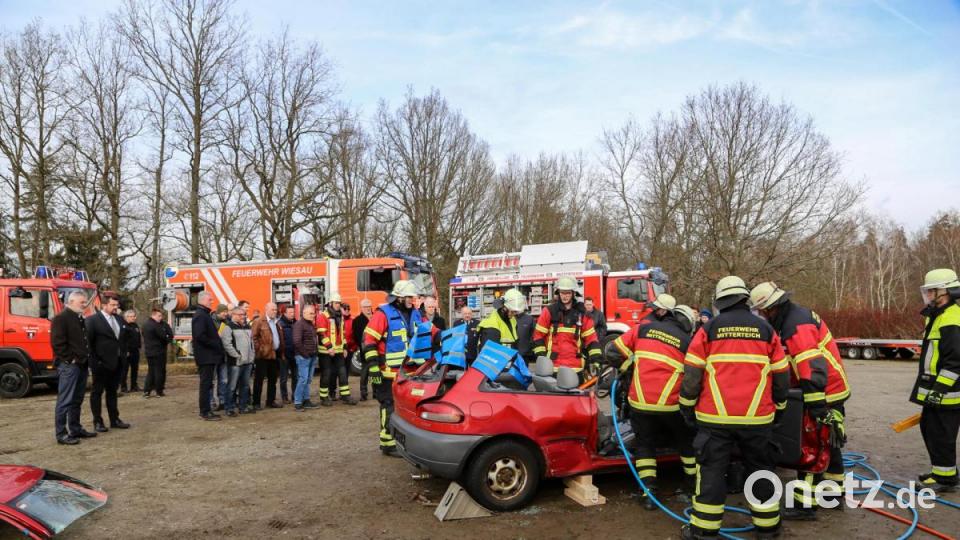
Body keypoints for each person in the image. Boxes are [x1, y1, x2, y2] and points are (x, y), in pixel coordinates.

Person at [678, 276, 789, 540]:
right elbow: (781, 376)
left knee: (712, 472)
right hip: (758, 419)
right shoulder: (766, 330)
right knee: (761, 471)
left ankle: (704, 531)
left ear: (720, 302)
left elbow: (692, 375)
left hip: (715, 418)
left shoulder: (709, 329)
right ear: (744, 298)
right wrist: (780, 407)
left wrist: (686, 406)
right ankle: (768, 529)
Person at [749, 281, 851, 517]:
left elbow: (811, 367)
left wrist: (815, 405)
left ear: (770, 309)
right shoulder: (793, 317)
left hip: (822, 393)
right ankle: (833, 494)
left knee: (810, 446)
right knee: (830, 442)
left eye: (761, 312)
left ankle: (804, 506)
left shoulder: (795, 325)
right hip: (831, 389)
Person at [606, 295, 695, 510]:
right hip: (673, 406)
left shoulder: (643, 329)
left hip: (641, 403)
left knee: (645, 445)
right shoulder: (688, 342)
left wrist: (628, 366)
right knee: (686, 444)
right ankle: (692, 487)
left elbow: (611, 351)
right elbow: (695, 377)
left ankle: (648, 493)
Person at [910, 268, 960, 492]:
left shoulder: (952, 318)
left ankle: (945, 480)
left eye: (932, 291)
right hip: (937, 389)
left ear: (945, 291)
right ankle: (941, 471)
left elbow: (955, 361)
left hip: (947, 392)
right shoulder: (939, 315)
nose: (929, 296)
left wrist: (939, 389)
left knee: (942, 433)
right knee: (930, 428)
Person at [361, 280, 424, 456]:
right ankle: (387, 443)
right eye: (409, 297)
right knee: (388, 405)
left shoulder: (416, 314)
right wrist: (373, 368)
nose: (413, 300)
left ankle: (402, 440)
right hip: (386, 372)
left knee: (405, 408)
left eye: (413, 297)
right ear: (399, 298)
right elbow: (369, 341)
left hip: (409, 373)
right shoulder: (383, 314)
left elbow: (428, 331)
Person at [532, 276, 602, 377]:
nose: (565, 296)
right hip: (553, 367)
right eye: (562, 293)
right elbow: (538, 336)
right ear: (558, 293)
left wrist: (596, 361)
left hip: (576, 368)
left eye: (568, 293)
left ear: (573, 293)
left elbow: (591, 340)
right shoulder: (549, 311)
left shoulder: (582, 313)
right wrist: (542, 358)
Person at [52, 291, 96, 445]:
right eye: (82, 302)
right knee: (65, 400)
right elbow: (58, 343)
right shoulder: (61, 318)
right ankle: (61, 434)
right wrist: (70, 359)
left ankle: (75, 428)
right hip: (70, 366)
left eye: (85, 302)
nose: (85, 305)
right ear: (71, 301)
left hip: (82, 364)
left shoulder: (78, 318)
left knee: (77, 399)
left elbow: (83, 341)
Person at [86, 295, 130, 432]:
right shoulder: (92, 320)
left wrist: (123, 354)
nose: (116, 307)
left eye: (117, 305)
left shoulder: (118, 319)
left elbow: (122, 339)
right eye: (113, 305)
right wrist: (95, 361)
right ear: (104, 305)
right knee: (97, 392)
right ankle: (98, 422)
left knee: (112, 392)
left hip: (117, 362)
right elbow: (89, 343)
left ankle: (114, 419)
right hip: (100, 363)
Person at [317, 293, 355, 406]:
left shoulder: (340, 316)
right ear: (330, 303)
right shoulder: (323, 316)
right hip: (325, 352)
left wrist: (344, 347)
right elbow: (321, 334)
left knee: (343, 373)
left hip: (338, 351)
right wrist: (329, 347)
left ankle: (345, 396)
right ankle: (324, 397)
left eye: (339, 303)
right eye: (336, 303)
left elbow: (342, 334)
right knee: (326, 374)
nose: (338, 305)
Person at [192, 291, 224, 421]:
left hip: (208, 355)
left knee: (208, 384)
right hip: (205, 356)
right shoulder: (200, 315)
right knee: (205, 385)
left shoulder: (204, 314)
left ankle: (207, 410)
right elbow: (199, 336)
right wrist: (215, 343)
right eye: (210, 299)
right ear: (203, 300)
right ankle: (205, 412)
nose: (212, 301)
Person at [221, 307, 255, 416]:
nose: (243, 316)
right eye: (240, 314)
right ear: (233, 315)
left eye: (244, 314)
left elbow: (251, 343)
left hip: (248, 361)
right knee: (232, 386)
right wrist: (237, 356)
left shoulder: (247, 327)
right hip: (235, 363)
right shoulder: (228, 327)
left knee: (245, 386)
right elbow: (227, 344)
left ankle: (243, 406)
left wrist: (252, 355)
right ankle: (229, 408)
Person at [252, 302, 285, 409]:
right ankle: (256, 403)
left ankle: (270, 401)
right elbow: (253, 338)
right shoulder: (259, 321)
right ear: (266, 309)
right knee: (259, 380)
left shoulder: (276, 323)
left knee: (273, 380)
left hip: (274, 355)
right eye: (272, 309)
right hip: (262, 356)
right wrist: (260, 350)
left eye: (276, 310)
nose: (275, 312)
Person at [292, 305, 321, 411]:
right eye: (311, 313)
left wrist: (314, 353)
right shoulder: (299, 324)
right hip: (304, 357)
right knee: (303, 379)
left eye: (313, 313)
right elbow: (297, 342)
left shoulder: (310, 324)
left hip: (311, 356)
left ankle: (306, 400)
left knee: (307, 380)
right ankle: (298, 402)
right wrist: (305, 354)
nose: (313, 315)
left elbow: (313, 340)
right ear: (304, 313)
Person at [142, 307, 173, 398]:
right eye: (159, 316)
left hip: (149, 351)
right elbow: (164, 337)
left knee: (151, 371)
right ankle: (158, 391)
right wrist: (167, 339)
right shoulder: (155, 325)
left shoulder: (145, 324)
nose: (161, 317)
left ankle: (147, 391)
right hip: (158, 351)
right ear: (153, 315)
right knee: (159, 371)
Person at [352, 299, 373, 401]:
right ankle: (363, 393)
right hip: (365, 349)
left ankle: (376, 393)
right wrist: (362, 346)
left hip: (376, 348)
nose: (368, 308)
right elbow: (356, 337)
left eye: (369, 306)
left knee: (375, 371)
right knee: (364, 372)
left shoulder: (375, 318)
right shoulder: (357, 321)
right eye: (365, 307)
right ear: (361, 308)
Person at [119, 309, 142, 393]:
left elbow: (138, 337)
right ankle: (123, 387)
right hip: (126, 352)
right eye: (131, 316)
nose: (134, 318)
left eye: (134, 316)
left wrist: (139, 346)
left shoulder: (135, 325)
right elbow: (122, 340)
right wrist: (126, 351)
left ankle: (134, 386)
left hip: (135, 351)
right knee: (124, 370)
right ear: (126, 317)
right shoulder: (123, 326)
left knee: (135, 369)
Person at [212, 304, 230, 411]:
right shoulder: (211, 321)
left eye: (226, 312)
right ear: (219, 312)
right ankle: (212, 402)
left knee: (224, 380)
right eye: (224, 312)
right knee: (212, 380)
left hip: (224, 355)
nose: (226, 314)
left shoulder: (226, 321)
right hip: (214, 355)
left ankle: (222, 400)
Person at [279, 305, 298, 403]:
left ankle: (295, 396)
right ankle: (284, 397)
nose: (292, 314)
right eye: (290, 312)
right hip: (284, 355)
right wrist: (281, 353)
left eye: (293, 312)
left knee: (295, 377)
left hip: (295, 355)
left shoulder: (296, 323)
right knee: (284, 378)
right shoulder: (280, 324)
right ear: (284, 313)